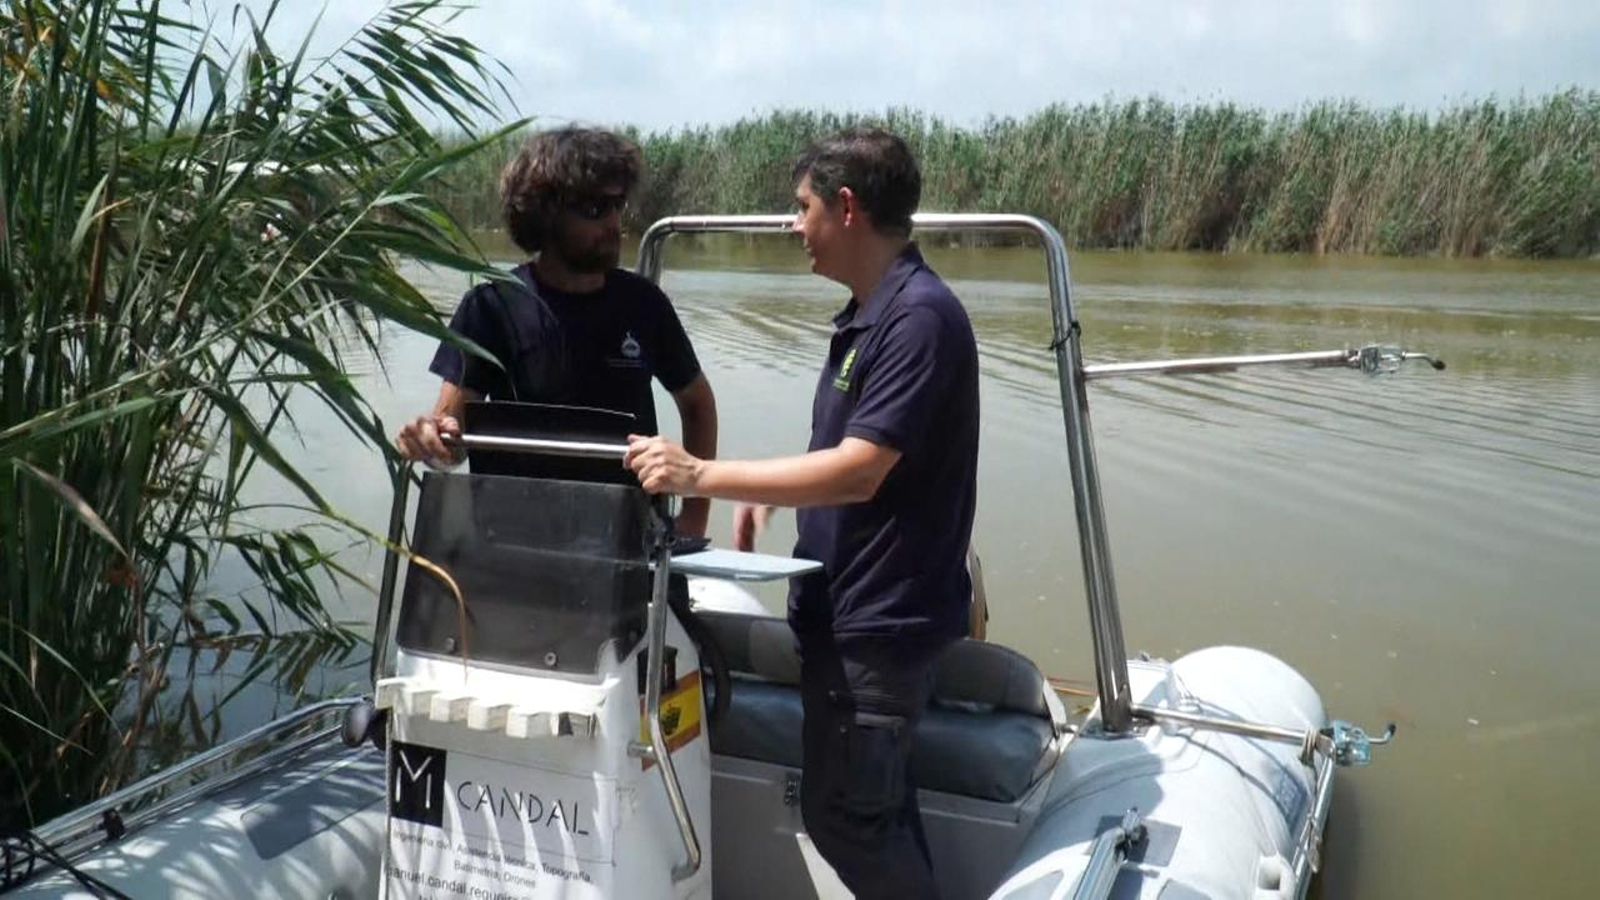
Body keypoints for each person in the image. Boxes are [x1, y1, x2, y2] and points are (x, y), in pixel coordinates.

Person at [625, 127, 978, 898]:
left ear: (846, 208)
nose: (795, 225)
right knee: (871, 813)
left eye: (803, 207)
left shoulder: (917, 319)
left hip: (878, 626)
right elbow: (849, 446)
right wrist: (763, 491)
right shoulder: (869, 314)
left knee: (848, 818)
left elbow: (861, 471)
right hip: (849, 615)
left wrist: (703, 474)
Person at [396, 127, 718, 536]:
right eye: (595, 209)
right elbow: (450, 440)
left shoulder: (645, 304)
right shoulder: (491, 308)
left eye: (617, 205)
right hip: (515, 538)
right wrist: (429, 441)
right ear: (544, 215)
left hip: (626, 540)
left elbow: (697, 404)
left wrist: (694, 518)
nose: (614, 224)